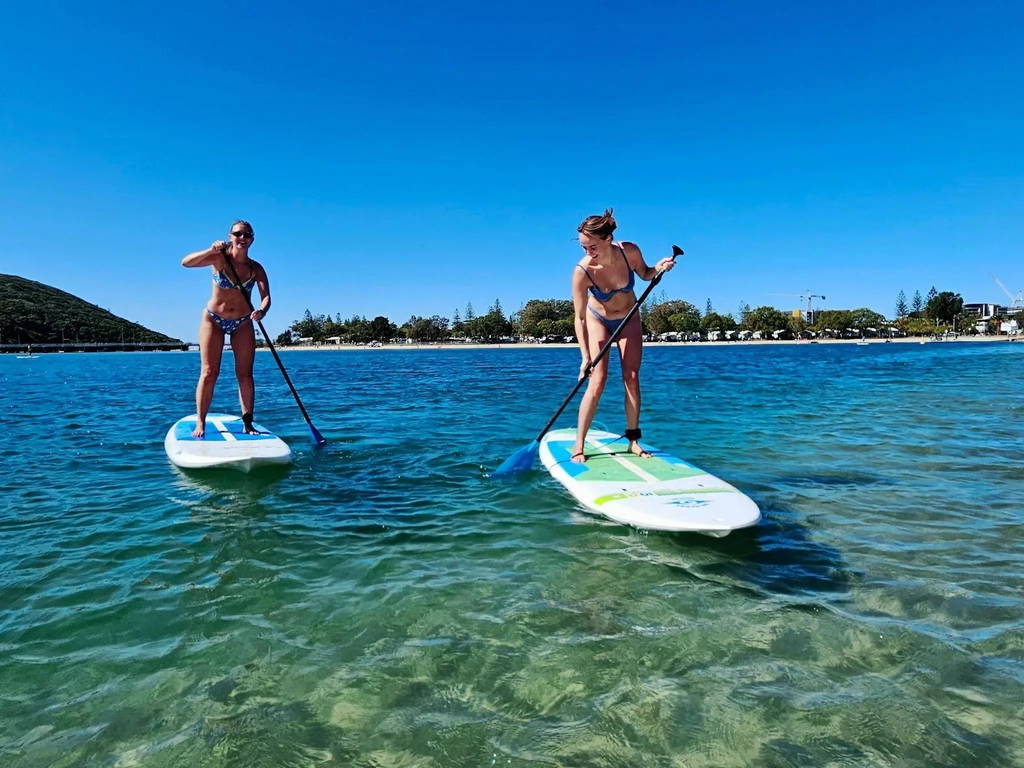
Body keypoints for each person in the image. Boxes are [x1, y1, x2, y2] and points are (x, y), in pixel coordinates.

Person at [570, 208, 675, 463]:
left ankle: (633, 441)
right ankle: (579, 444)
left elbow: (647, 273)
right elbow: (580, 317)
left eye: (591, 246)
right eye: (583, 248)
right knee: (598, 379)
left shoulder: (630, 252)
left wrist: (659, 267)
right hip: (599, 320)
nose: (587, 253)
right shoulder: (583, 272)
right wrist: (585, 358)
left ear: (607, 239)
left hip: (629, 318)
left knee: (631, 377)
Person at [181, 220, 271, 438]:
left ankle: (248, 423)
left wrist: (262, 311)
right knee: (210, 372)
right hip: (213, 320)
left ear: (252, 240)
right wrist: (210, 249)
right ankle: (200, 423)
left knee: (245, 374)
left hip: (243, 322)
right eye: (238, 234)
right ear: (230, 236)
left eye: (247, 235)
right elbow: (186, 263)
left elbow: (266, 297)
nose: (243, 238)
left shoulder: (255, 268)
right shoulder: (219, 258)